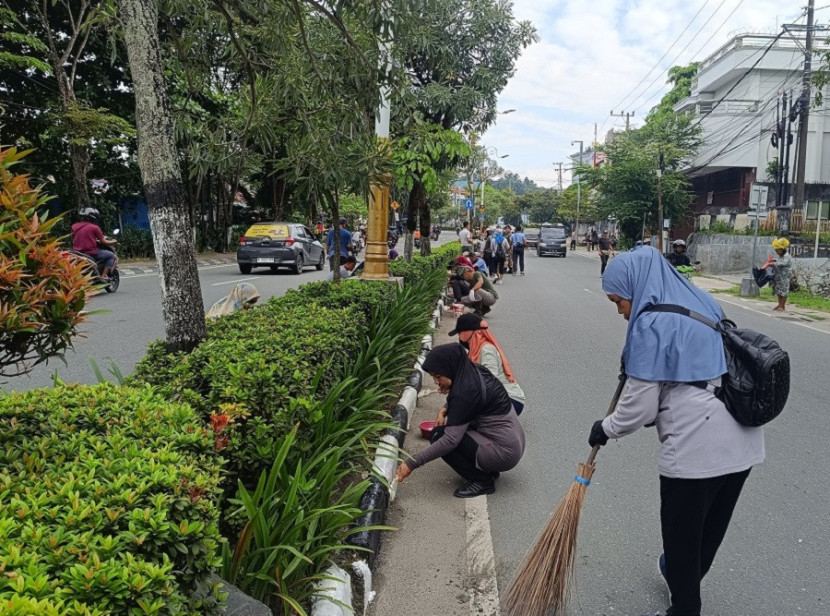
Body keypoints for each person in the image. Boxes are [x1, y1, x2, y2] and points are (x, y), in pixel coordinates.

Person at [590, 247, 764, 616]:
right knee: (708, 530)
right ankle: (677, 574)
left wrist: (604, 428)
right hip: (743, 441)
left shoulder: (650, 323)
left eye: (618, 301)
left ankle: (684, 608)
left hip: (696, 450)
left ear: (635, 288)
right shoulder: (702, 301)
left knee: (682, 538)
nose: (620, 311)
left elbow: (638, 408)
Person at [395, 344, 526, 498]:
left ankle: (483, 481)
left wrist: (412, 463)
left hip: (503, 453)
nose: (436, 382)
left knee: (440, 436)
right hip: (514, 443)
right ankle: (487, 469)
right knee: (453, 429)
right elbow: (467, 398)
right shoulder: (473, 370)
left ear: (451, 368)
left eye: (438, 376)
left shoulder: (464, 393)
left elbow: (450, 440)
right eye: (433, 377)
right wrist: (445, 407)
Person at [449, 314, 526, 415]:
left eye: (460, 333)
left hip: (511, 400)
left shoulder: (486, 350)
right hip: (499, 398)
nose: (460, 338)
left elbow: (490, 382)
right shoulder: (475, 351)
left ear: (468, 333)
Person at [71, 207, 117, 280]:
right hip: (91, 253)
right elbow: (104, 242)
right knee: (111, 256)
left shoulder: (74, 226)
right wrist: (114, 241)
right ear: (93, 217)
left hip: (78, 253)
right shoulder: (94, 227)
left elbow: (74, 238)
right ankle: (104, 275)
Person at [768, 237, 793, 312]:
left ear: (782, 249)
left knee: (784, 290)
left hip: (785, 276)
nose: (776, 252)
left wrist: (774, 263)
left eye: (777, 250)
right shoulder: (781, 256)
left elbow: (783, 263)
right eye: (776, 250)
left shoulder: (787, 256)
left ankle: (782, 306)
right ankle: (779, 304)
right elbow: (779, 261)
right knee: (778, 290)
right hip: (779, 275)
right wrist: (774, 260)